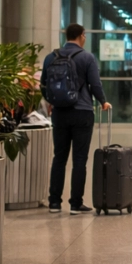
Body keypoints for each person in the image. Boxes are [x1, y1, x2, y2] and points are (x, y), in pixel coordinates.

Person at [44, 23, 112, 214]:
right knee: (79, 159)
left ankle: (54, 203)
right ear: (82, 35)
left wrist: (52, 101)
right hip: (82, 111)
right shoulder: (87, 57)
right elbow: (95, 84)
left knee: (59, 157)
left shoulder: (51, 57)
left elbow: (43, 84)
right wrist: (103, 102)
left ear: (66, 36)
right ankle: (75, 203)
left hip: (59, 112)